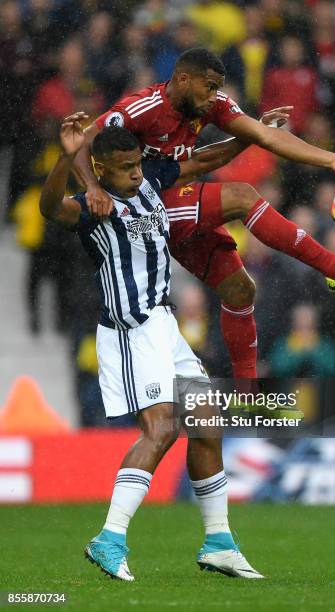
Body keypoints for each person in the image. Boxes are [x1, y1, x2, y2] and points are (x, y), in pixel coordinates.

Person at [74, 47, 335, 379]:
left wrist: (330, 159)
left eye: (218, 87)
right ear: (183, 79)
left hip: (169, 207)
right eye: (209, 86)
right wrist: (93, 188)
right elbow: (82, 142)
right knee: (242, 196)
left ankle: (246, 393)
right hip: (140, 210)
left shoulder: (211, 106)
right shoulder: (144, 107)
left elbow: (261, 137)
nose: (214, 96)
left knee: (241, 290)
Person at [40, 113, 264, 581]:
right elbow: (49, 209)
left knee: (205, 423)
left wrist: (257, 131)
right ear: (101, 170)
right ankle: (110, 537)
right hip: (130, 328)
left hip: (164, 324)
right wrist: (65, 158)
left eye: (137, 163)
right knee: (162, 429)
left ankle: (219, 541)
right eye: (124, 168)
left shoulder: (149, 181)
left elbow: (205, 159)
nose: (136, 173)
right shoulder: (93, 206)